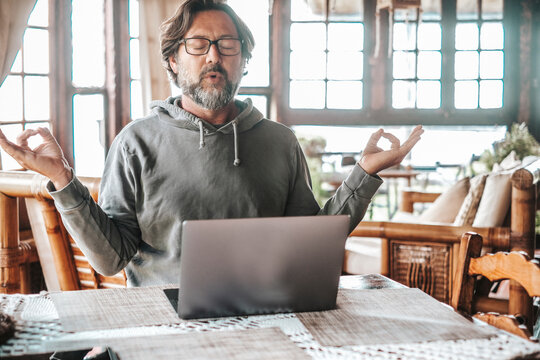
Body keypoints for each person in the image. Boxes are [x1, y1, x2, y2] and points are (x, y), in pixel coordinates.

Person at [0, 0, 423, 287]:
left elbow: (313, 239)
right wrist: (61, 178)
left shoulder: (280, 142)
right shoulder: (135, 142)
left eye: (227, 45)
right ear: (173, 59)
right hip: (164, 328)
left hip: (268, 319)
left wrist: (364, 173)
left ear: (243, 60)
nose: (213, 57)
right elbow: (111, 260)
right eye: (198, 45)